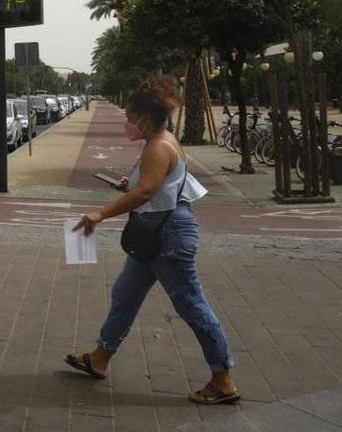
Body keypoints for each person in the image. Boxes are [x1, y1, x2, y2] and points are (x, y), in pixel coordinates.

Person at [65, 75, 239, 405]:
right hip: (154, 235)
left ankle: (223, 379)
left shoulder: (159, 146)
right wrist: (128, 183)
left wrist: (101, 214)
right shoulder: (162, 139)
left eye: (131, 119)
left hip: (168, 236)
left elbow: (147, 191)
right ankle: (99, 357)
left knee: (192, 306)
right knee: (124, 295)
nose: (128, 124)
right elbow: (152, 184)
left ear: (146, 117)